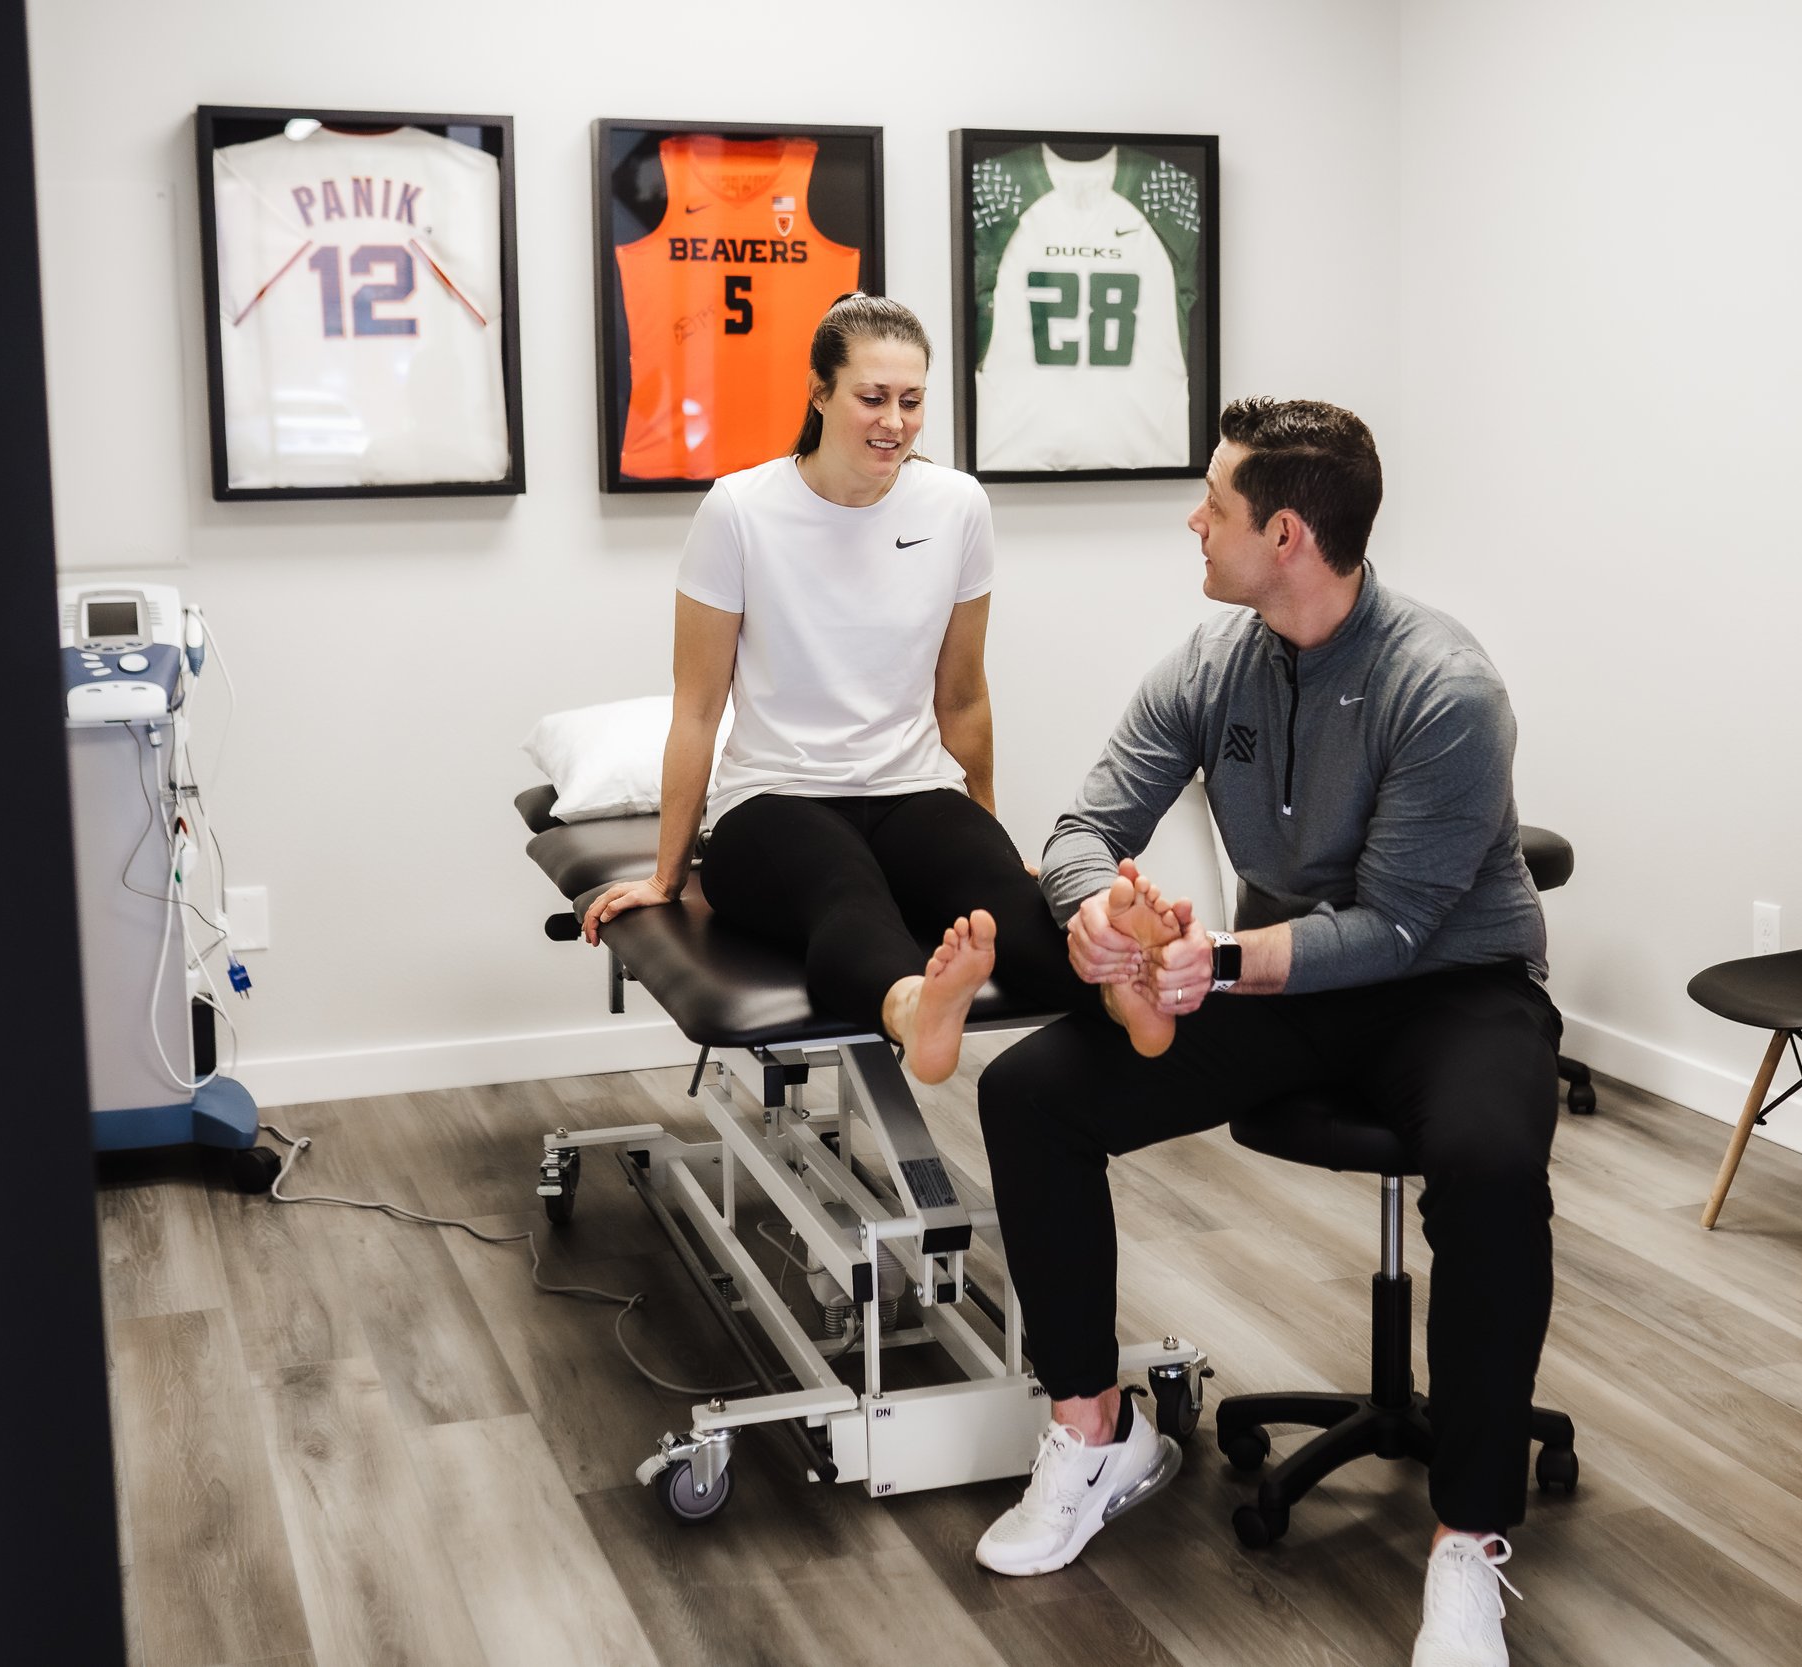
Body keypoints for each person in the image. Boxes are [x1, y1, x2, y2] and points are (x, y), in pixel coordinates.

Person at [972, 398, 1559, 1667]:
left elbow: (1398, 928)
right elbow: (1081, 826)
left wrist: (1211, 958)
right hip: (1282, 983)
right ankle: (1095, 1430)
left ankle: (1467, 1543)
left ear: (1285, 532)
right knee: (1032, 1094)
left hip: (1452, 987)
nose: (1195, 518)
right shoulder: (1212, 661)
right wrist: (1092, 917)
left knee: (1495, 1166)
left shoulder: (1444, 687)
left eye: (1215, 502)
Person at [580, 295, 1175, 1082]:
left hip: (912, 786)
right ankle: (912, 1007)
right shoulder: (741, 511)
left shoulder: (956, 505)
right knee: (844, 891)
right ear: (820, 393)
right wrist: (666, 874)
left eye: (911, 400)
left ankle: (1120, 992)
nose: (892, 420)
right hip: (772, 799)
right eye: (872, 397)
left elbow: (961, 696)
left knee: (999, 897)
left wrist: (990, 834)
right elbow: (697, 708)